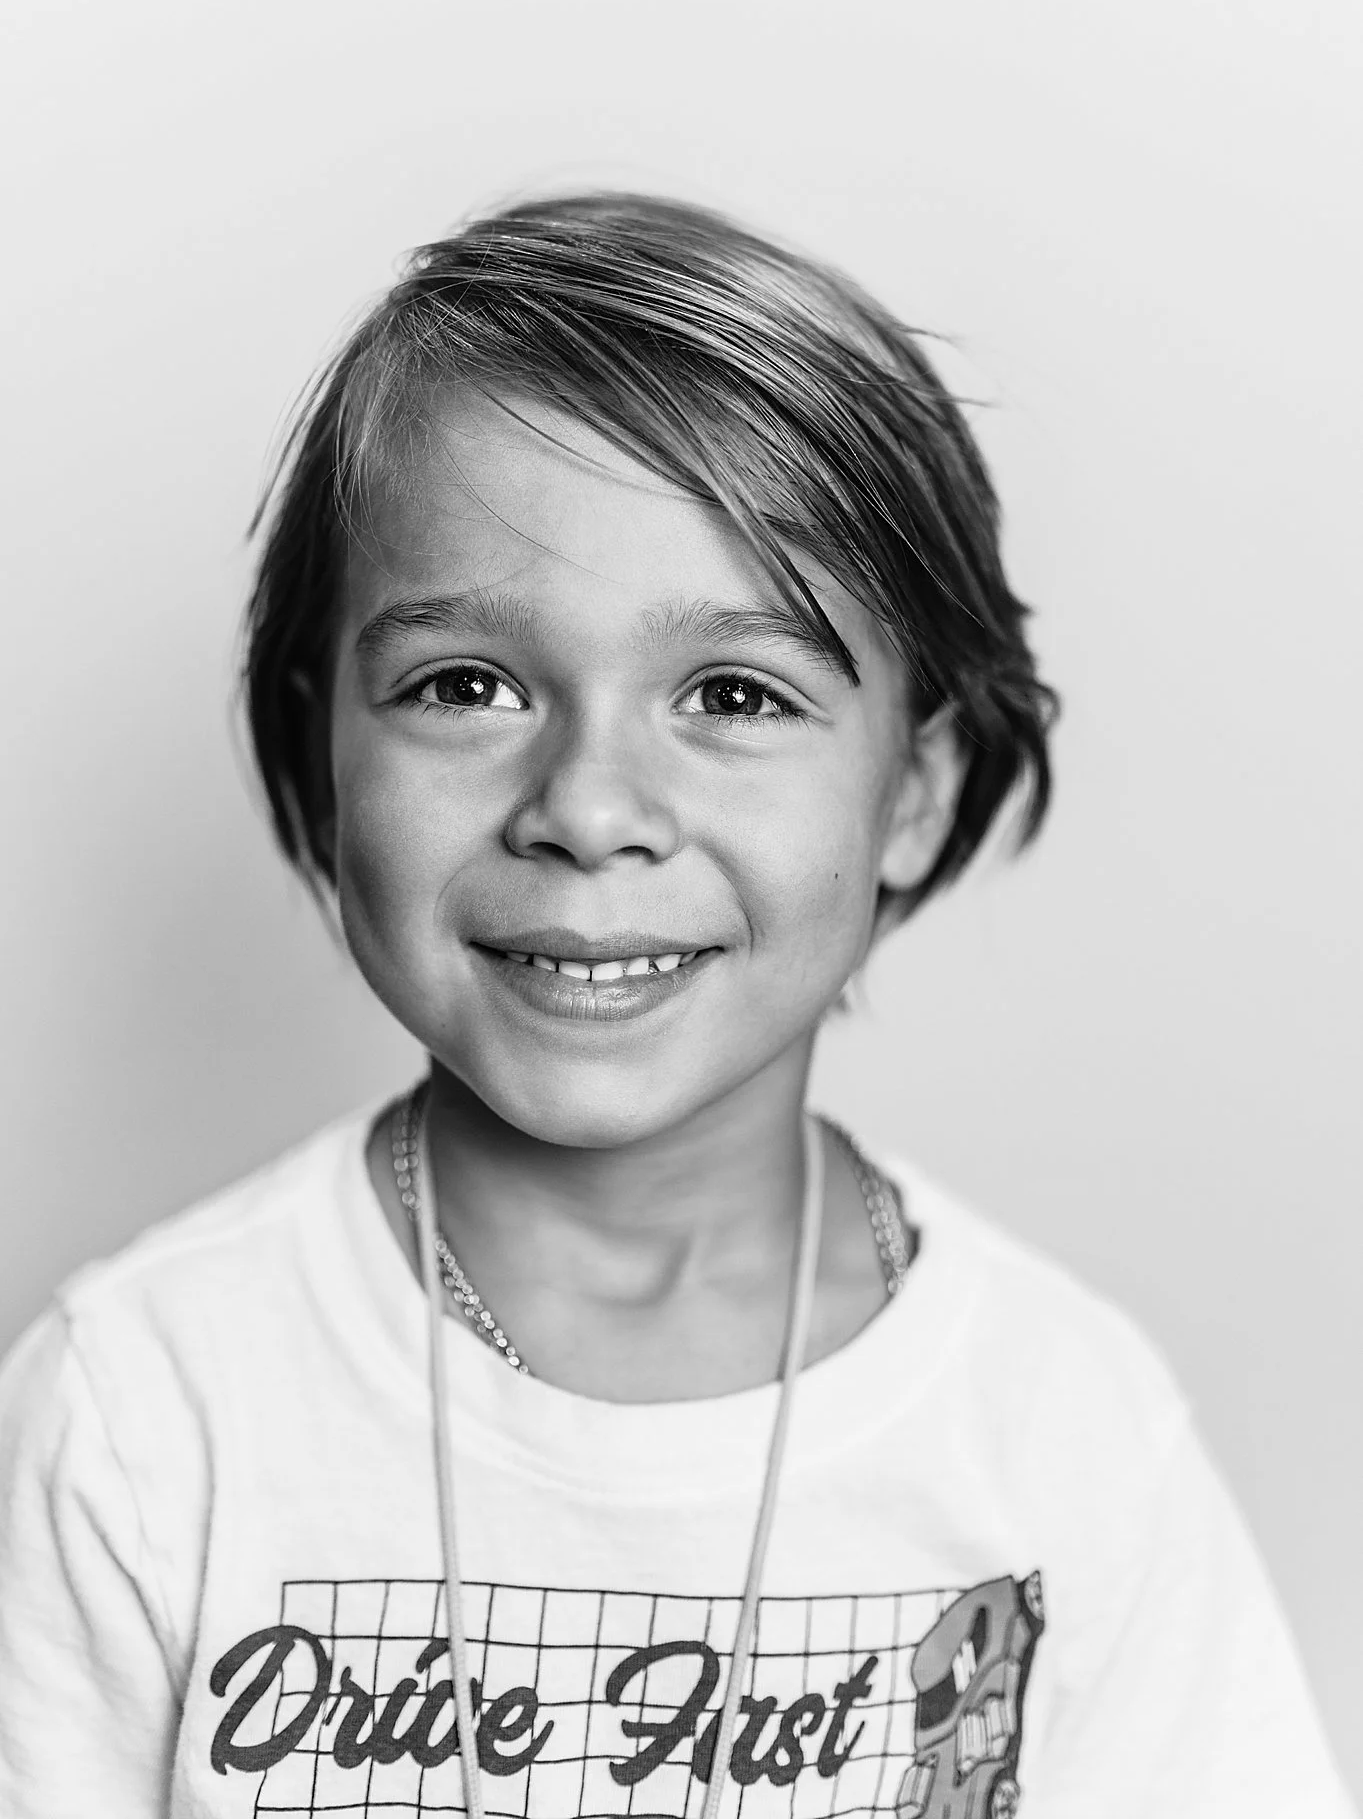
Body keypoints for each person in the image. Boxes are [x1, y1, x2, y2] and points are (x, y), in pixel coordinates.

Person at [0, 193, 1351, 1818]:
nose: (587, 804)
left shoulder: (1058, 1430)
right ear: (322, 752)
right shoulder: (146, 1405)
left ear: (909, 795)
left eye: (732, 695)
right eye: (465, 687)